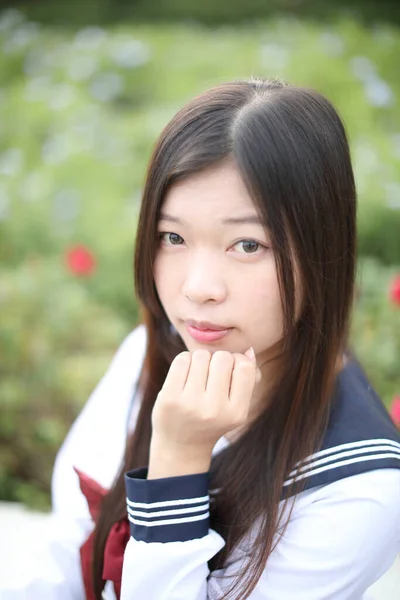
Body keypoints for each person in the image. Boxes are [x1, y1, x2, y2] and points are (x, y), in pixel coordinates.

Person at [4, 77, 400, 600]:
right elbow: (66, 548)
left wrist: (178, 460)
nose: (198, 289)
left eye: (247, 244)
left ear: (321, 247)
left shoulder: (356, 491)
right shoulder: (158, 350)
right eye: (173, 237)